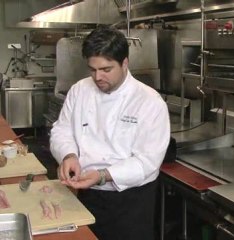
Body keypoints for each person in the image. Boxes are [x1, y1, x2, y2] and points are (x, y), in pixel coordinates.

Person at [50, 26, 170, 240]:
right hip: (87, 194)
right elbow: (62, 129)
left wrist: (103, 175)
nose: (98, 77)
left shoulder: (149, 102)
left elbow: (147, 162)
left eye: (106, 69)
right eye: (92, 69)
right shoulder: (80, 90)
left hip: (130, 202)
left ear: (125, 63)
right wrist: (69, 155)